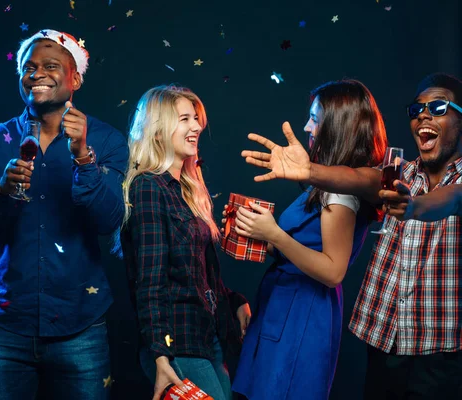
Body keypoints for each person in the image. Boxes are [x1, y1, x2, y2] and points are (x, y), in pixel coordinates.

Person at [242, 72, 462, 399]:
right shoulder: (397, 173)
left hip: (440, 354)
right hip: (384, 344)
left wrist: (413, 206)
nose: (424, 115)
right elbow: (359, 177)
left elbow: (452, 198)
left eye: (439, 107)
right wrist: (310, 172)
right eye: (417, 110)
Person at [0, 29, 128, 399]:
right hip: (6, 327)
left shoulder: (107, 141)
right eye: (29, 67)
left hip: (80, 328)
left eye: (51, 66)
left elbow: (109, 221)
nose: (37, 74)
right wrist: (1, 190)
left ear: (76, 77)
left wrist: (83, 156)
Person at [230, 80, 387, 399]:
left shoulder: (340, 191)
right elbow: (305, 246)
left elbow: (333, 271)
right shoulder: (325, 183)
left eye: (314, 118)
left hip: (303, 313)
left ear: (336, 126)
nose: (307, 126)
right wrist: (255, 233)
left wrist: (274, 234)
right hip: (285, 306)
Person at [120, 85, 251, 400]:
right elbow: (150, 283)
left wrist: (234, 301)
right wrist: (160, 356)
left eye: (196, 119)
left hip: (207, 338)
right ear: (159, 129)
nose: (196, 127)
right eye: (184, 119)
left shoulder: (187, 189)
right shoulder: (148, 188)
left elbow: (198, 275)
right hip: (175, 344)